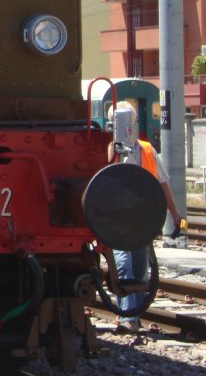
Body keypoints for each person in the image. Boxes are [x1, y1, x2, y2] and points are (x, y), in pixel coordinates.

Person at [108, 101, 184, 333]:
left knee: (140, 267)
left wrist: (176, 215)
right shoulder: (111, 149)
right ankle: (127, 318)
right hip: (118, 219)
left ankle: (134, 314)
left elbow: (163, 184)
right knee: (125, 264)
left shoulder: (148, 150)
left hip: (142, 219)